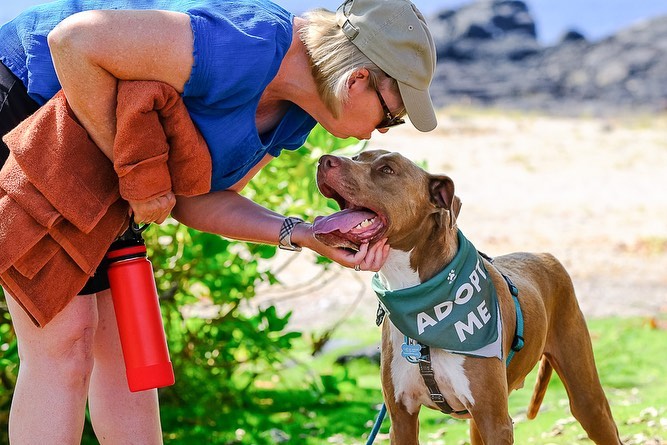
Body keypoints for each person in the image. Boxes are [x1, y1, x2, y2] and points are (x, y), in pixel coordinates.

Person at [0, 0, 437, 442]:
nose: (383, 131)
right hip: (28, 98)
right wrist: (137, 177)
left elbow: (199, 202)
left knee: (124, 345)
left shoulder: (299, 112)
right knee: (66, 342)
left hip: (101, 141)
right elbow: (73, 41)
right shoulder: (249, 43)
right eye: (392, 115)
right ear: (357, 80)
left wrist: (303, 234)